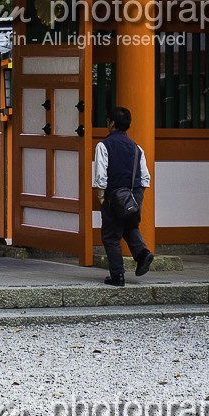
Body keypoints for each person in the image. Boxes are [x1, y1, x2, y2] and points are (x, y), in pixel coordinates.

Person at [92, 105, 154, 287]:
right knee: (129, 225)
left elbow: (101, 174)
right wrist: (137, 196)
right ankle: (142, 254)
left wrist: (102, 196)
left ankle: (117, 275)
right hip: (134, 194)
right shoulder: (137, 148)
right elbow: (145, 177)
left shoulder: (104, 145)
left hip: (114, 193)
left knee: (111, 236)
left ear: (111, 123)